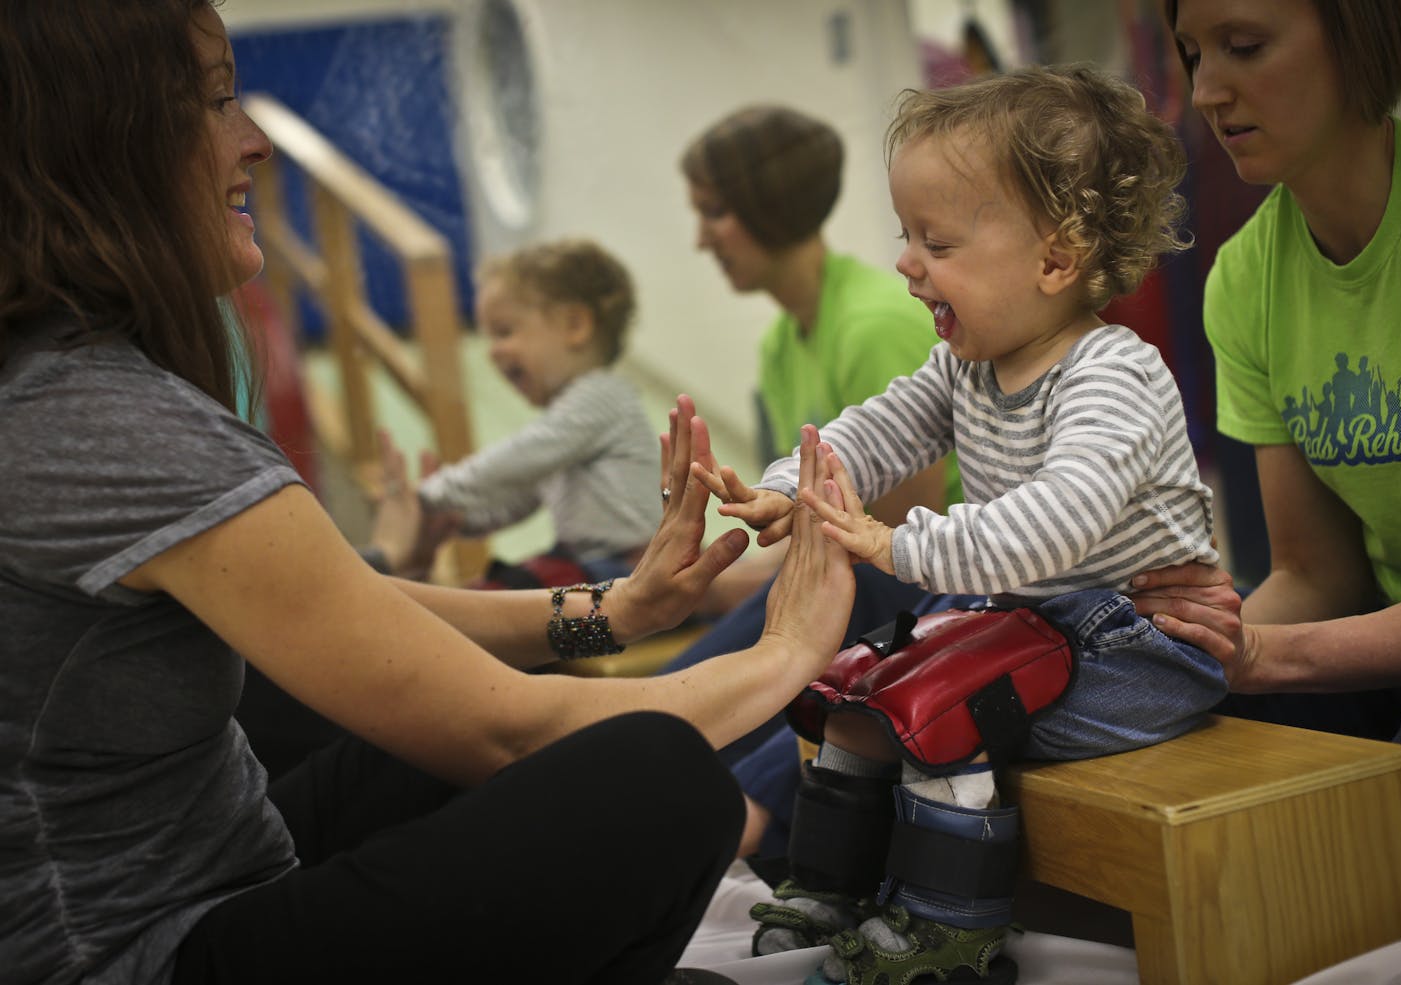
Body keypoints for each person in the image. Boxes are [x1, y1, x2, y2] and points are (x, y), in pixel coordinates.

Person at [0, 4, 862, 984]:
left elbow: (346, 608)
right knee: (659, 779)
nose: (251, 142)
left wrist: (607, 614)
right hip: (134, 952)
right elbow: (503, 726)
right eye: (214, 103)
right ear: (99, 147)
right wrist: (785, 652)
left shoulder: (58, 388)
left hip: (213, 861)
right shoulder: (102, 425)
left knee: (480, 715)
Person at [699, 65, 1230, 984]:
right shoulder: (967, 368)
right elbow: (871, 430)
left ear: (1055, 260)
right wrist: (796, 488)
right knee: (860, 698)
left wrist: (895, 544)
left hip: (1139, 647)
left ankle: (949, 925)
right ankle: (830, 889)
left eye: (936, 241)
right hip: (1028, 624)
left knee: (941, 710)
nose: (908, 262)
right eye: (909, 236)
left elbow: (1054, 526)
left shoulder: (1113, 373)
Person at [1130, 0, 1401, 914]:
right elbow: (1315, 569)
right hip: (1397, 641)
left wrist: (1264, 652)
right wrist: (1198, 654)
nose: (1208, 92)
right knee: (1198, 755)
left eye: (1246, 46)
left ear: (1359, 37)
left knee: (1396, 786)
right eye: (1193, 54)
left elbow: (1291, 640)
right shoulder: (1245, 279)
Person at [670, 103, 968, 858]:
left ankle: (720, 821)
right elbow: (804, 525)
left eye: (715, 212)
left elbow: (885, 550)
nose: (701, 238)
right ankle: (658, 773)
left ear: (770, 208)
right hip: (854, 578)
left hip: (925, 587)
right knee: (676, 671)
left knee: (692, 697)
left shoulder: (873, 322)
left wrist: (710, 587)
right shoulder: (781, 340)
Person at [367, 237, 660, 590]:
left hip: (630, 566)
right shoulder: (568, 428)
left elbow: (513, 461)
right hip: (589, 563)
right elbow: (517, 500)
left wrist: (427, 496)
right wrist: (455, 518)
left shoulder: (602, 397)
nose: (492, 351)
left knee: (476, 606)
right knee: (479, 598)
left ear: (574, 326)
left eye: (504, 331)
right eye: (488, 336)